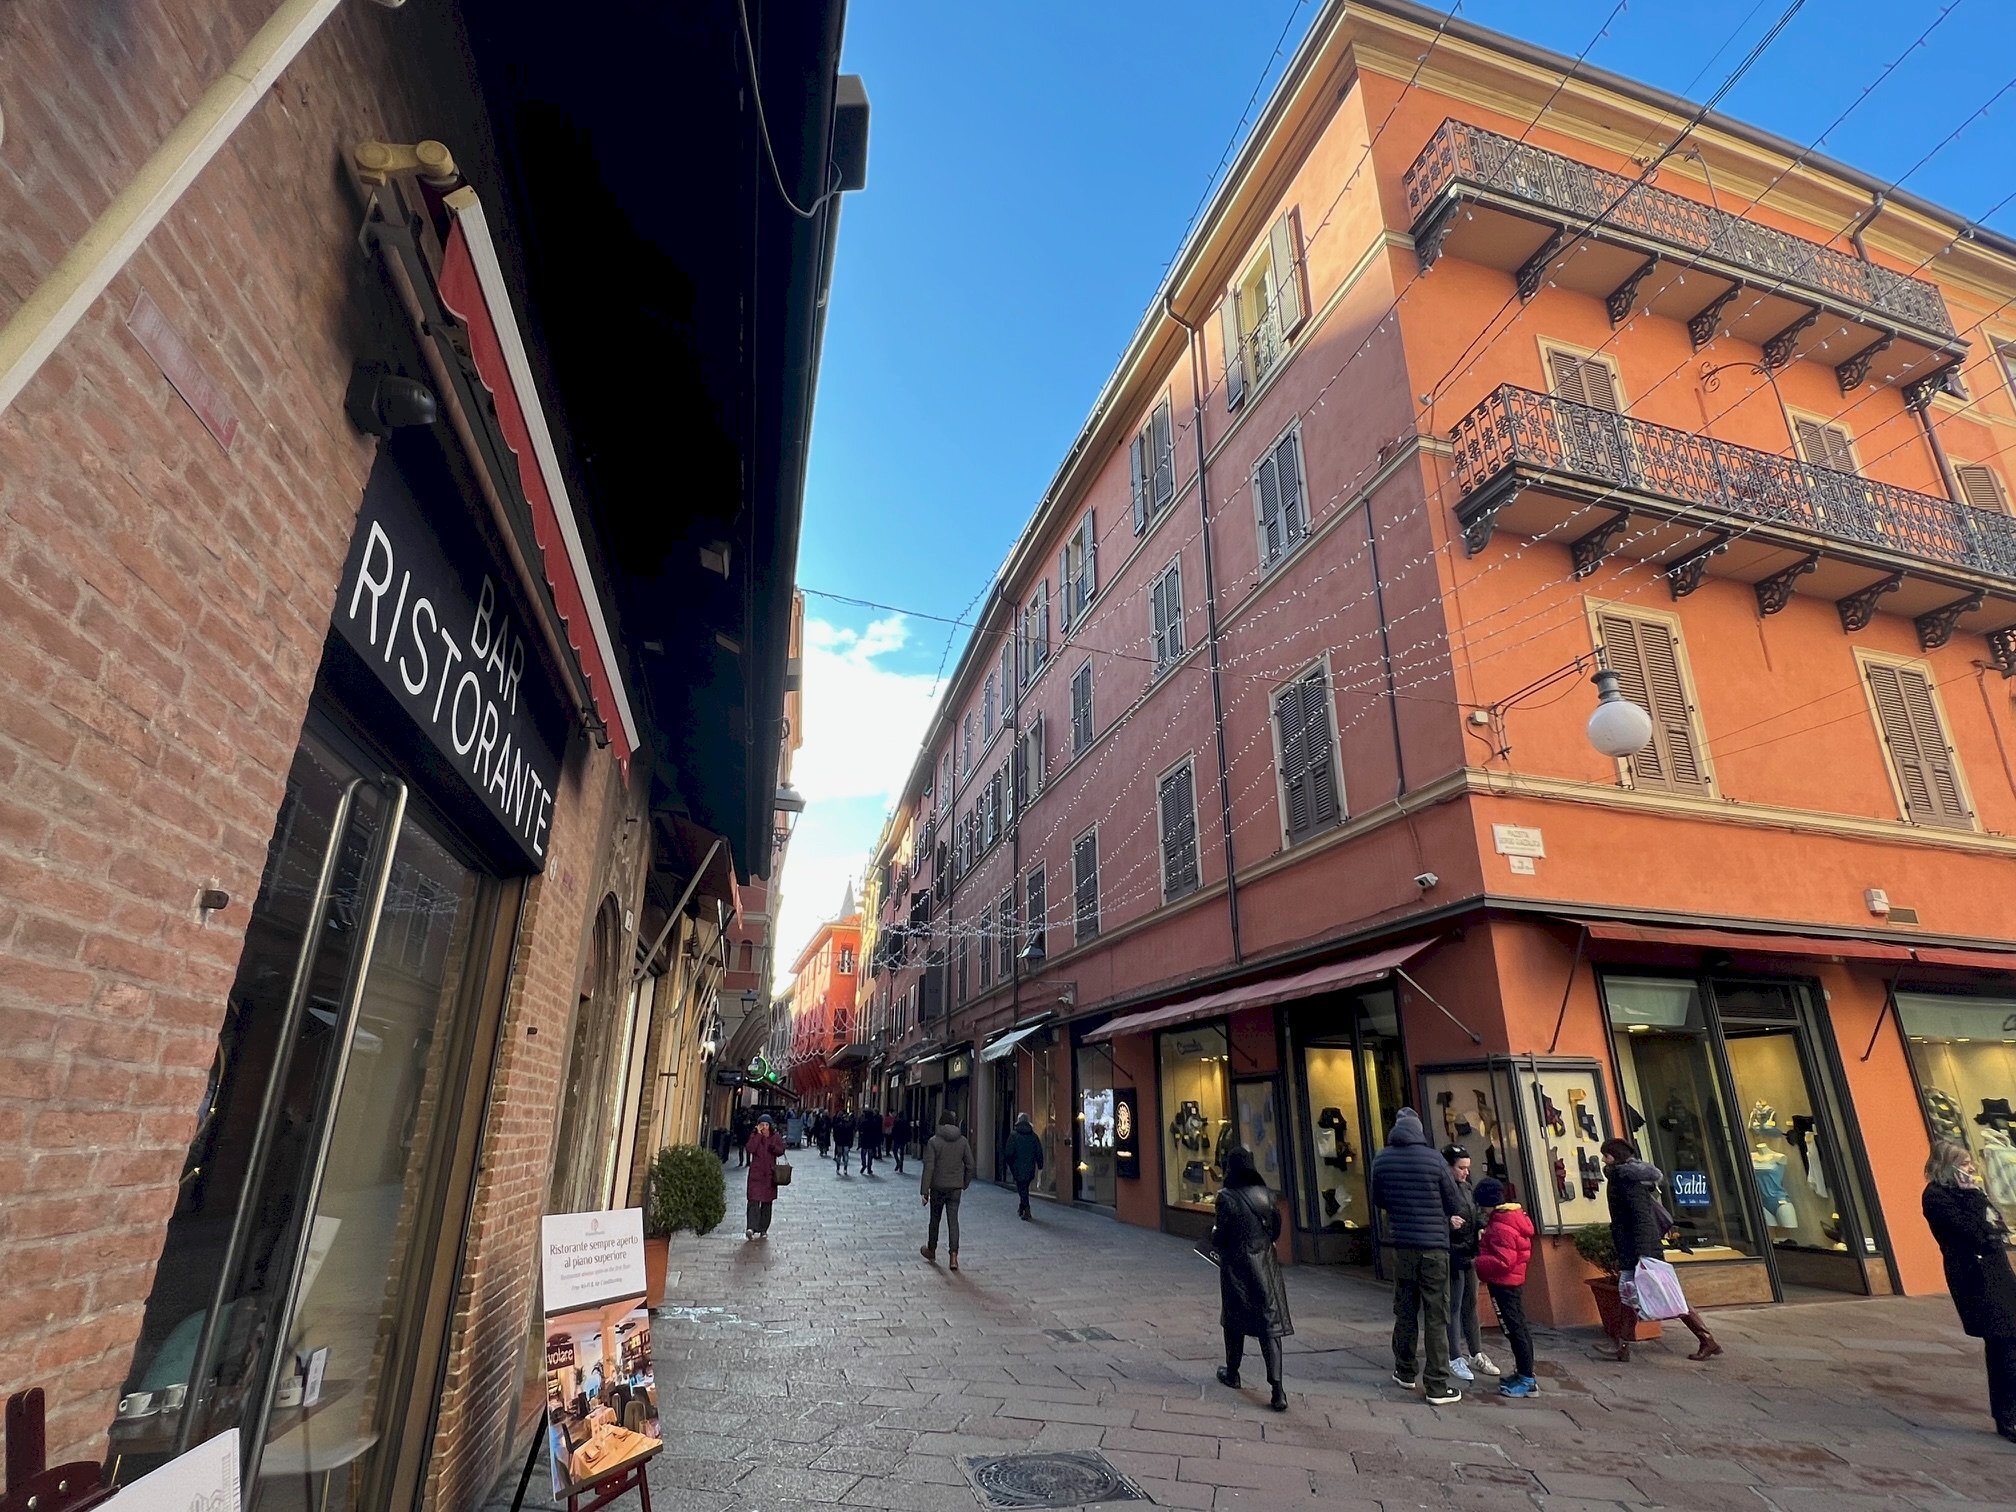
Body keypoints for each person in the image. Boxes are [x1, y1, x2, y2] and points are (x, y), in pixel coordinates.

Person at [1594, 1138, 1721, 1362]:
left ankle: (1706, 1339)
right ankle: (1622, 1346)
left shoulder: (1626, 1179)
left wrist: (1643, 1252)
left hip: (1639, 1247)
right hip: (1633, 1246)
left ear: (1615, 1156)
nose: (1604, 1159)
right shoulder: (1626, 1177)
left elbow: (1641, 1218)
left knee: (1667, 1293)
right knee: (1627, 1293)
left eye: (1607, 1155)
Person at [1369, 1107, 1465, 1404]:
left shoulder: (1382, 1159)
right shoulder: (1435, 1159)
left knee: (1405, 1309)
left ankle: (1405, 1370)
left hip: (1403, 1246)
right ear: (1419, 1130)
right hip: (1434, 1247)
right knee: (1436, 1315)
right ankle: (1436, 1384)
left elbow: (1378, 1199)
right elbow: (1454, 1202)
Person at [1922, 1139, 2016, 1442]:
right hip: (1973, 1276)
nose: (1971, 1169)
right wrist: (1973, 1197)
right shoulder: (1936, 1197)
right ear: (1947, 1166)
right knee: (2002, 1342)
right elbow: (1973, 1230)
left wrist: (1976, 1196)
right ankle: (2007, 1416)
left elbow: (1996, 1225)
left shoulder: (1970, 1192)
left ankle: (2008, 1411)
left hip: (1997, 1271)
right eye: (1963, 1164)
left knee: (2008, 1341)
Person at [1211, 1145, 1292, 1412]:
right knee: (1270, 1324)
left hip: (1236, 1267)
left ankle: (1232, 1372)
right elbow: (1275, 1230)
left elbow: (1220, 1236)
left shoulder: (1226, 1197)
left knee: (1233, 1319)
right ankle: (1277, 1389)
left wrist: (1214, 1235)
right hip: (1265, 1266)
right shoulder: (1267, 1195)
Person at [1472, 1177, 1539, 1398]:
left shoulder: (1501, 1225)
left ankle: (1527, 1380)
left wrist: (1476, 1261)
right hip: (1512, 1282)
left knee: (1514, 1330)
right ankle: (1524, 1373)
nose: (1481, 1210)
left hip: (1504, 1285)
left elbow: (1503, 1261)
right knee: (1518, 1328)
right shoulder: (1511, 1217)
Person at [1442, 1144, 1497, 1383]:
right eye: (1461, 1167)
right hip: (1452, 1253)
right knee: (1454, 1305)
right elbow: (1431, 1216)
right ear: (1449, 1167)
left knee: (1471, 1304)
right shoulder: (1442, 1188)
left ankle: (1476, 1352)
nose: (1465, 1172)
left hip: (1469, 1252)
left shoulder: (1467, 1187)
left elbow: (1477, 1212)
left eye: (1467, 1168)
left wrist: (1482, 1224)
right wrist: (1447, 1222)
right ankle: (1455, 1356)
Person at [919, 1112, 975, 1270]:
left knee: (935, 1219)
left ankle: (931, 1249)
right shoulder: (962, 1141)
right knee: (953, 1221)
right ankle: (953, 1257)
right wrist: (964, 1183)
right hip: (955, 1188)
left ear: (941, 1124)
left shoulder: (933, 1141)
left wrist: (924, 1191)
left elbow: (929, 1166)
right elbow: (970, 1165)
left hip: (937, 1187)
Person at [744, 1114, 787, 1240]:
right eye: (762, 1125)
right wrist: (758, 1135)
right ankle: (751, 1228)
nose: (764, 1127)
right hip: (756, 1174)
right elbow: (750, 1148)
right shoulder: (754, 1136)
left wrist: (774, 1148)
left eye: (766, 1125)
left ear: (770, 1126)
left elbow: (781, 1151)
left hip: (769, 1175)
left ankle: (763, 1228)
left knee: (767, 1203)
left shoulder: (775, 1136)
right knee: (753, 1201)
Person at [1004, 1112, 1046, 1219]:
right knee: (1024, 1187)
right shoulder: (1033, 1136)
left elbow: (1009, 1152)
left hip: (1017, 1167)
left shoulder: (1013, 1135)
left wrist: (1010, 1164)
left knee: (1021, 1188)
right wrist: (1040, 1165)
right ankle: (1022, 1207)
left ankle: (1026, 1209)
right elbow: (1039, 1152)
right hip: (1030, 1167)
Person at [858, 1106, 882, 1175]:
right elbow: (877, 1132)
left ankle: (864, 1165)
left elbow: (860, 1130)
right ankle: (869, 1168)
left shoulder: (864, 1122)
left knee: (863, 1154)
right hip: (871, 1141)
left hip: (864, 1140)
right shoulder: (874, 1122)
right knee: (870, 1155)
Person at [831, 1107, 854, 1175]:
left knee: (839, 1155)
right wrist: (851, 1143)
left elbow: (835, 1133)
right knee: (846, 1155)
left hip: (839, 1142)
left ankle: (838, 1168)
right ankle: (845, 1169)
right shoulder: (849, 1125)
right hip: (846, 1142)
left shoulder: (838, 1125)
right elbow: (851, 1135)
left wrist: (836, 1140)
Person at [892, 1110, 913, 1174]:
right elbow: (909, 1131)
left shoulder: (897, 1122)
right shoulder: (906, 1123)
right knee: (901, 1153)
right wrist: (908, 1139)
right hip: (903, 1140)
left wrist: (893, 1137)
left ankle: (898, 1162)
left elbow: (894, 1130)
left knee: (895, 1151)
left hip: (897, 1139)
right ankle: (901, 1167)